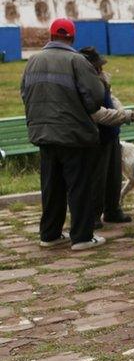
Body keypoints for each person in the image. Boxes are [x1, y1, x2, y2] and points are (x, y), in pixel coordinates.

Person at [20, 18, 106, 250]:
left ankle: (50, 234)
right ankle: (82, 237)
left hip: (44, 134)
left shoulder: (33, 61)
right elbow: (96, 97)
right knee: (79, 187)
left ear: (50, 36)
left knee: (52, 186)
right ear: (72, 37)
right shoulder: (77, 61)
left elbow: (24, 93)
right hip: (74, 135)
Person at [79, 46, 131, 228]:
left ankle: (113, 210)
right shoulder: (84, 83)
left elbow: (111, 98)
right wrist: (125, 116)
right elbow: (97, 112)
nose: (100, 69)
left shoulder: (101, 80)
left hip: (112, 133)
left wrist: (121, 111)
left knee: (114, 177)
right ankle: (93, 216)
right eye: (97, 66)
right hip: (97, 136)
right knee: (97, 179)